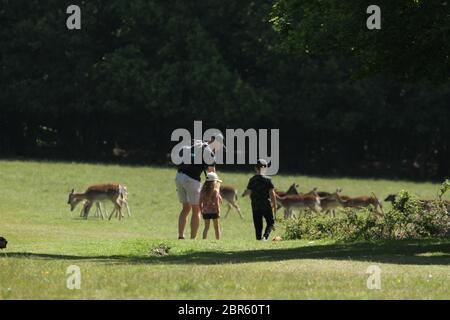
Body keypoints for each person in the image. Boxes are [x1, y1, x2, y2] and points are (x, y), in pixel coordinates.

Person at [175, 134, 224, 239]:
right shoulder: (208, 152)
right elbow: (212, 175)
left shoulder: (195, 143)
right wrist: (217, 191)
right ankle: (193, 238)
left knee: (185, 208)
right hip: (191, 180)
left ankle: (180, 236)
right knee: (196, 210)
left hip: (179, 176)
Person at [243, 159, 277, 240]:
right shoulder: (268, 180)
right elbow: (272, 193)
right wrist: (274, 204)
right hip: (266, 204)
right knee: (270, 222)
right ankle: (265, 237)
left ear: (255, 168)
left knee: (258, 224)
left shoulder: (252, 180)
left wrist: (246, 194)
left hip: (255, 205)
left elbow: (248, 192)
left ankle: (258, 239)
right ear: (265, 168)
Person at [199, 172, 223, 240]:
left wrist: (201, 210)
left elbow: (200, 202)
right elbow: (217, 203)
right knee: (217, 227)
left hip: (205, 211)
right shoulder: (215, 191)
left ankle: (204, 240)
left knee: (206, 227)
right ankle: (218, 240)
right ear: (214, 182)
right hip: (214, 211)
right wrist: (218, 211)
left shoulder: (203, 191)